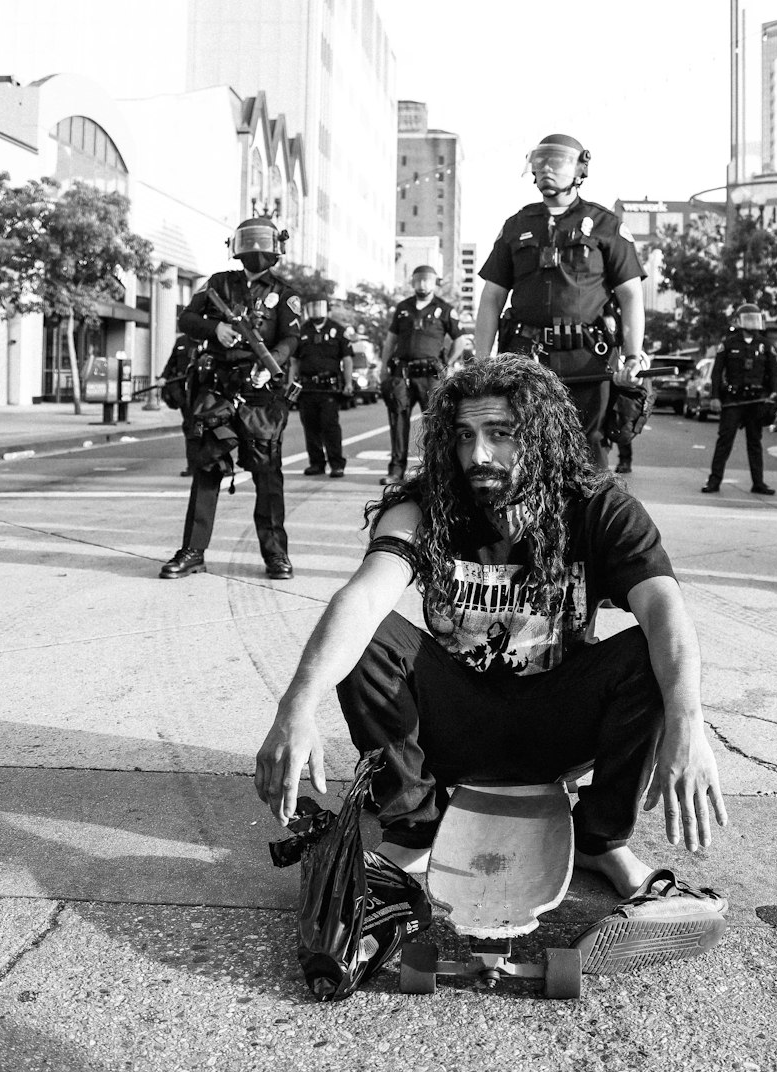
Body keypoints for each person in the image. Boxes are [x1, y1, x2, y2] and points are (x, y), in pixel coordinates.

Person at [255, 355, 728, 948]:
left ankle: (603, 842)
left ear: (542, 435)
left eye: (501, 435)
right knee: (370, 638)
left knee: (645, 653)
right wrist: (296, 705)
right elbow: (364, 595)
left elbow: (666, 610)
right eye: (464, 436)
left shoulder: (599, 508)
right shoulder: (424, 506)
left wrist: (689, 724)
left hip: (559, 725)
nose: (479, 455)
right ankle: (415, 829)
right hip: (456, 727)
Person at [474, 134, 646, 468]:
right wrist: (482, 361)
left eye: (558, 162)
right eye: (541, 162)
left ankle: (588, 520)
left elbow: (630, 294)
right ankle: (526, 520)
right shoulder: (516, 225)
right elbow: (492, 297)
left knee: (587, 450)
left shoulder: (606, 225)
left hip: (587, 358)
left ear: (581, 169)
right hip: (525, 358)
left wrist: (633, 356)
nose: (548, 169)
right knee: (519, 446)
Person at [159, 215, 302, 581]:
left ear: (276, 248)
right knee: (206, 470)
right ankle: (193, 551)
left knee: (268, 476)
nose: (255, 249)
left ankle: (276, 555)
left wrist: (271, 366)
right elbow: (187, 319)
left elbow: (290, 339)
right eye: (249, 241)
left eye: (262, 242)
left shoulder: (286, 294)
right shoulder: (218, 284)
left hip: (261, 393)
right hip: (218, 389)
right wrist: (215, 328)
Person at [378, 266, 464, 485]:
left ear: (435, 283)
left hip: (431, 376)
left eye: (426, 281)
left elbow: (460, 340)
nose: (422, 285)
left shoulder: (444, 309)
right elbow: (390, 340)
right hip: (402, 374)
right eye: (418, 281)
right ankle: (396, 471)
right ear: (413, 282)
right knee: (398, 421)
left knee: (434, 424)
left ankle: (433, 471)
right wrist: (383, 368)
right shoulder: (403, 307)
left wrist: (450, 364)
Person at [701, 304, 777, 496]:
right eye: (749, 318)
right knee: (724, 441)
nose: (753, 322)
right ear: (739, 321)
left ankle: (758, 483)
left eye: (755, 318)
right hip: (732, 400)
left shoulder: (766, 345)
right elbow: (717, 373)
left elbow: (775, 374)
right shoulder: (728, 344)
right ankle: (714, 481)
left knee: (755, 443)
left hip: (756, 401)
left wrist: (774, 394)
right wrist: (715, 397)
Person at [294, 301, 353, 479]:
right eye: (311, 307)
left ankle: (336, 464)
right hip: (307, 387)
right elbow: (294, 361)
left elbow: (347, 358)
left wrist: (348, 383)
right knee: (310, 425)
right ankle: (316, 463)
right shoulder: (301, 331)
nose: (315, 311)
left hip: (329, 388)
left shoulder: (338, 330)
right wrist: (291, 383)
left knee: (330, 425)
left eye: (318, 307)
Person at [159, 333, 200, 476]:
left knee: (204, 429)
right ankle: (193, 466)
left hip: (202, 391)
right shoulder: (182, 341)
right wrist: (164, 377)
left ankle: (215, 466)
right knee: (190, 428)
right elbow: (172, 362)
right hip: (184, 393)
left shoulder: (210, 340)